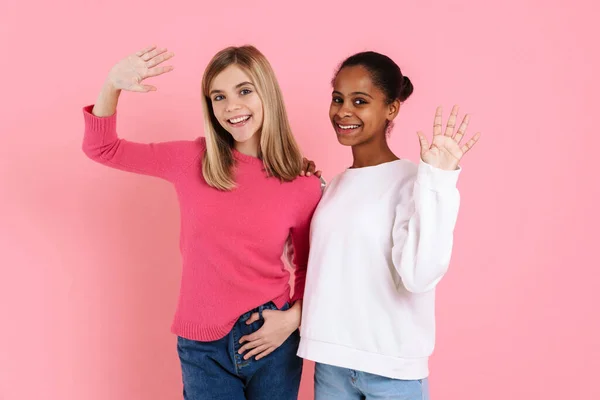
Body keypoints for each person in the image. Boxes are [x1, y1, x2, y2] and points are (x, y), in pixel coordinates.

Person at [82, 44, 323, 400]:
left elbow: (309, 268)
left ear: (266, 94)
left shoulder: (302, 185)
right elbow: (102, 148)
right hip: (202, 346)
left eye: (244, 91)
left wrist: (291, 320)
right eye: (218, 97)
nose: (232, 107)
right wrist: (112, 85)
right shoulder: (191, 159)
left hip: (272, 338)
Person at [297, 51, 481, 399]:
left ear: (391, 108)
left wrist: (439, 181)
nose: (343, 111)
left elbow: (420, 275)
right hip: (331, 364)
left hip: (393, 373)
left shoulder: (415, 181)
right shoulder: (334, 186)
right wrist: (302, 189)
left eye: (360, 101)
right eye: (338, 99)